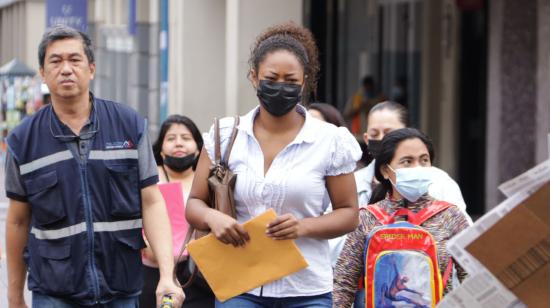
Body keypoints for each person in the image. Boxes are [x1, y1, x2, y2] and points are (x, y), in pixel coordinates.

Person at [4, 25, 184, 308]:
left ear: (91, 68)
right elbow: (17, 221)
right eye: (55, 60)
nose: (66, 69)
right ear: (42, 72)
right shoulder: (23, 141)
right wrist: (14, 297)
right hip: (54, 292)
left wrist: (167, 275)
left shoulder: (128, 125)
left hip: (120, 288)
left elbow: (151, 202)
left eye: (74, 60)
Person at [186, 23, 362, 307]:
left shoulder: (330, 141)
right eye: (271, 78)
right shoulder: (224, 134)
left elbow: (349, 213)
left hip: (307, 289)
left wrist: (303, 227)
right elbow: (194, 203)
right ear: (254, 77)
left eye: (290, 80)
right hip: (240, 284)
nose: (280, 86)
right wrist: (214, 218)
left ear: (304, 82)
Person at [333, 128, 470, 307]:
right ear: (385, 171)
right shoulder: (367, 218)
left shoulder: (450, 216)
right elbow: (344, 284)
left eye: (424, 160)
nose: (418, 168)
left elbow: (472, 275)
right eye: (407, 161)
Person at [140, 115, 213, 307]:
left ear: (199, 149)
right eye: (171, 139)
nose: (178, 144)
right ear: (161, 150)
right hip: (153, 270)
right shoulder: (148, 181)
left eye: (186, 138)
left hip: (197, 272)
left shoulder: (209, 182)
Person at [356, 101, 470, 220]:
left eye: (389, 133)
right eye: (374, 134)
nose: (382, 139)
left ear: (407, 133)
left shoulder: (442, 183)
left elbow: (466, 235)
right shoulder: (355, 185)